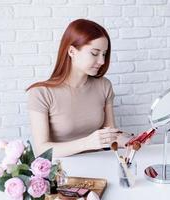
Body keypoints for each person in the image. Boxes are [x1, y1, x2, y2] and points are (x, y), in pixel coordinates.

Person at [26, 19, 129, 157]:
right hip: (61, 172)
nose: (102, 61)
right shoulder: (41, 93)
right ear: (72, 51)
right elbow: (41, 150)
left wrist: (133, 140)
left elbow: (111, 136)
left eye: (104, 54)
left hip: (99, 166)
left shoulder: (104, 86)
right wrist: (87, 143)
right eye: (94, 53)